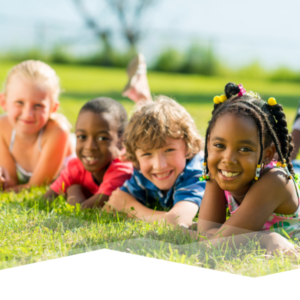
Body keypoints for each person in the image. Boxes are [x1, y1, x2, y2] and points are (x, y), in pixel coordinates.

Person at [197, 82, 300, 252]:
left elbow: (217, 243)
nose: (228, 159)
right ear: (208, 145)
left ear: (267, 155)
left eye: (244, 149)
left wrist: (221, 234)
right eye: (219, 145)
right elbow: (205, 235)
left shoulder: (275, 181)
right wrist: (267, 239)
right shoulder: (218, 171)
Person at [105, 96, 206, 228]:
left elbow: (176, 221)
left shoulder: (196, 173)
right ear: (135, 156)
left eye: (169, 150)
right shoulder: (142, 174)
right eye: (147, 154)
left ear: (187, 147)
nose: (159, 165)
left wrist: (131, 208)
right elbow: (113, 205)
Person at [43, 97, 133, 209]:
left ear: (121, 141)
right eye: (82, 137)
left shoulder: (122, 170)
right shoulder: (76, 166)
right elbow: (46, 199)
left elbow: (86, 210)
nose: (90, 147)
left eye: (102, 138)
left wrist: (73, 191)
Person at [0, 60, 75, 191]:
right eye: (19, 102)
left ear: (53, 108)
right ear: (4, 101)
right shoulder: (2, 127)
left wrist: (7, 188)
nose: (28, 114)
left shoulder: (58, 132)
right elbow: (10, 182)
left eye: (38, 105)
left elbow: (36, 186)